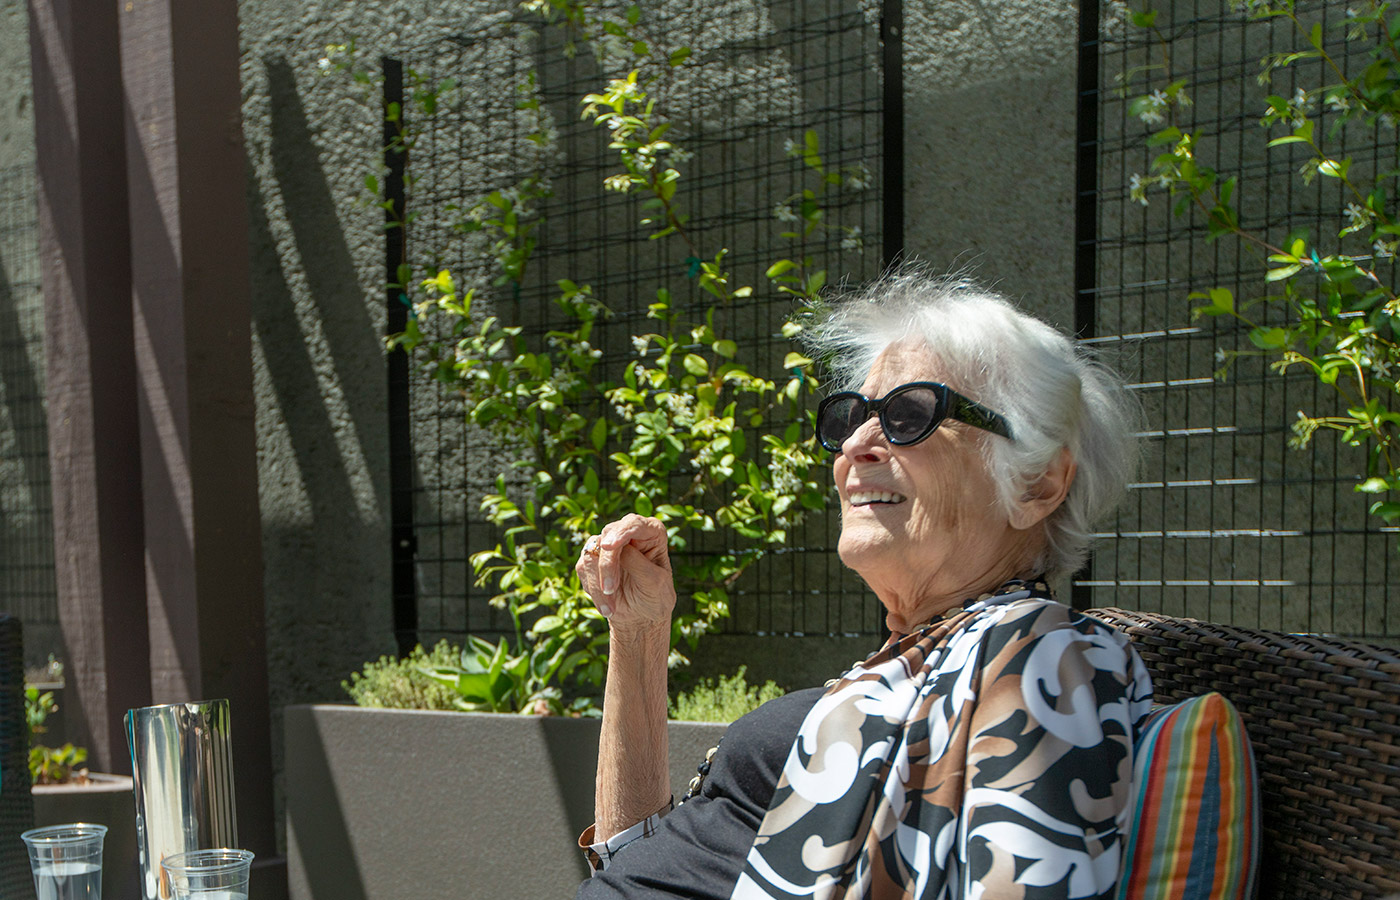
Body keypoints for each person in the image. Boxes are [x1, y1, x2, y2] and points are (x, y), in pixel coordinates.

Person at [573, 274, 1154, 900]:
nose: (854, 443)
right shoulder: (926, 663)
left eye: (911, 414)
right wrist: (638, 633)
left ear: (1038, 483)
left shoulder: (1035, 652)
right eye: (851, 415)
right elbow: (636, 865)